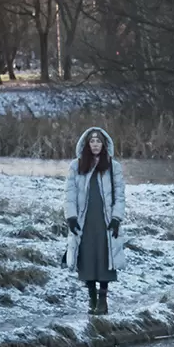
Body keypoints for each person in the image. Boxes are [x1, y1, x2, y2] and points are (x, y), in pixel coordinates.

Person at [63, 127, 126, 314]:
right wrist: (71, 217)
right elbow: (70, 194)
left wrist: (116, 218)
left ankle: (103, 301)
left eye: (99, 141)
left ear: (104, 144)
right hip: (85, 220)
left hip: (105, 221)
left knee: (105, 258)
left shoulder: (113, 166)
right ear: (86, 144)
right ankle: (91, 300)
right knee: (87, 259)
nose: (96, 144)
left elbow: (120, 196)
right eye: (92, 141)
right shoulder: (77, 166)